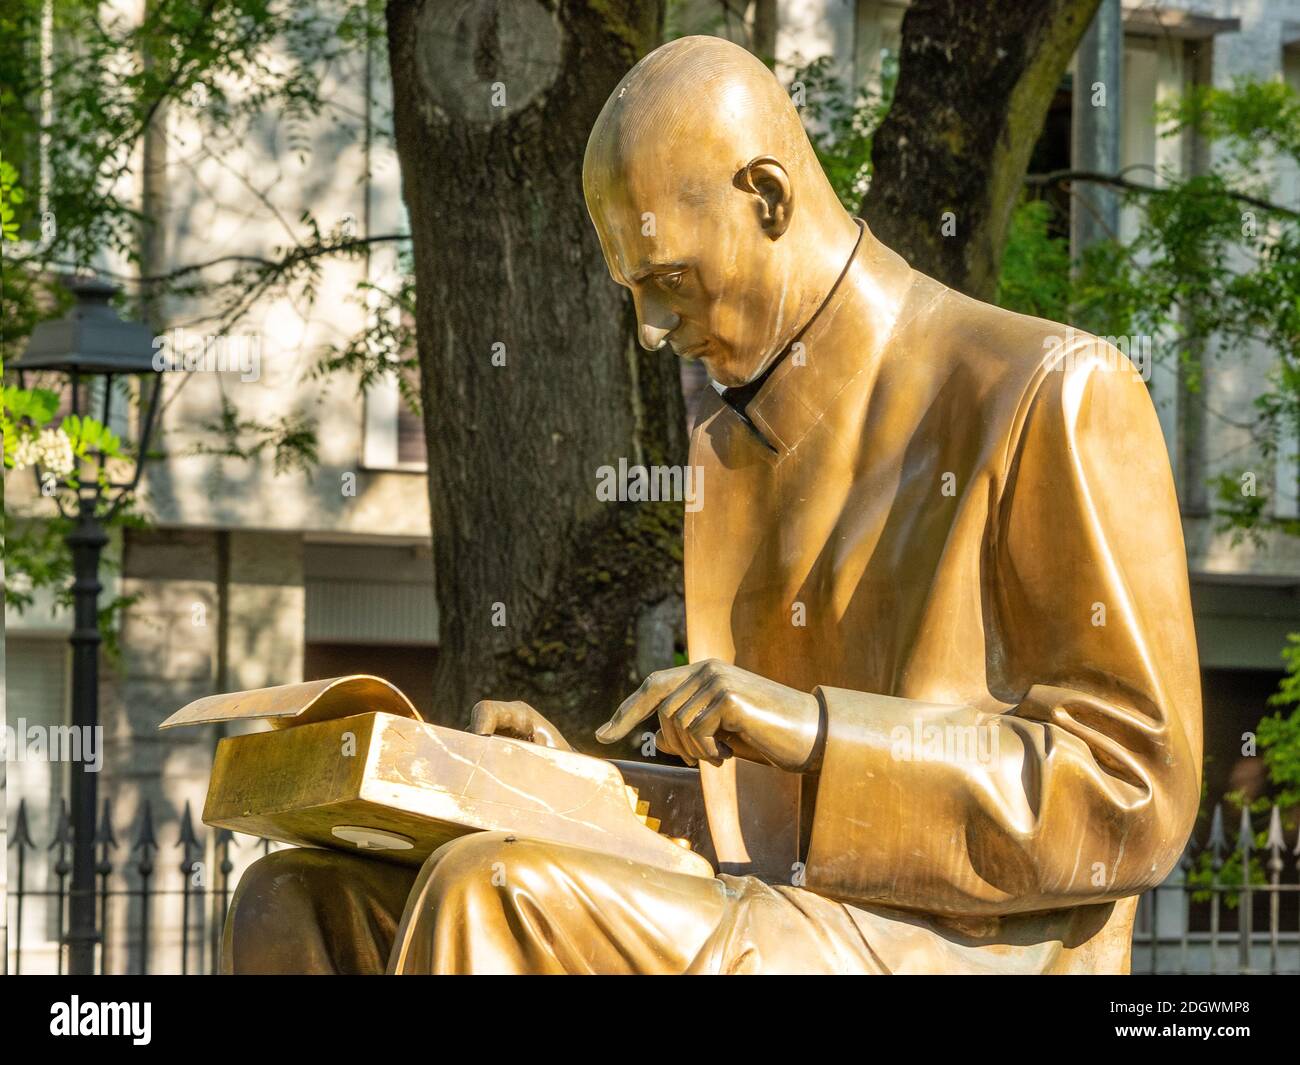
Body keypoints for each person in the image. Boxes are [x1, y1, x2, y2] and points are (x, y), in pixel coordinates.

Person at [224, 35, 1201, 975]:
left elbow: (1133, 795)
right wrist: (569, 786)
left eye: (667, 281)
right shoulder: (731, 452)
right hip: (795, 915)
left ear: (767, 197)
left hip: (956, 945)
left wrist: (818, 729)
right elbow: (762, 829)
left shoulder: (1052, 387)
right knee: (299, 897)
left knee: (496, 892)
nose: (648, 332)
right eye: (631, 291)